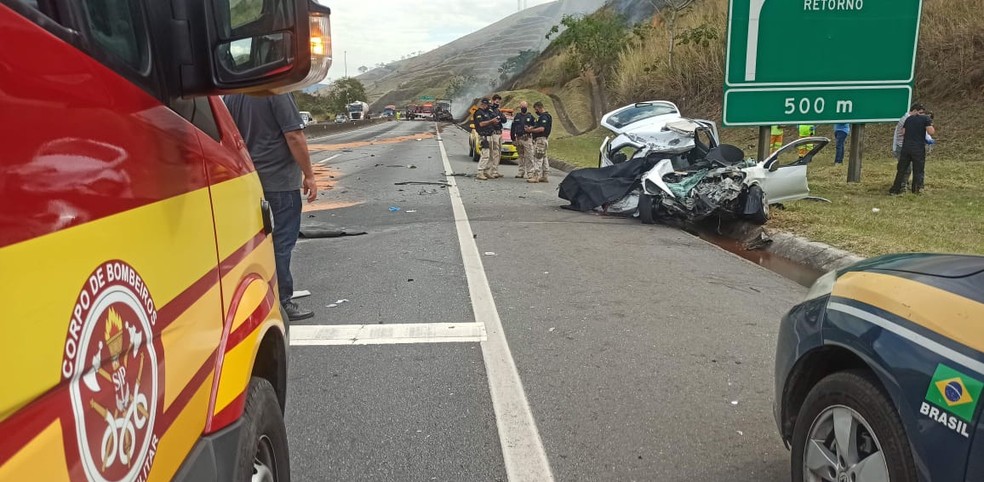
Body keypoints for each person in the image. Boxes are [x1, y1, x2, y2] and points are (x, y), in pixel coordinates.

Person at [224, 93, 318, 321]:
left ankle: (255, 298)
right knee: (282, 242)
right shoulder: (277, 91)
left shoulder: (231, 94)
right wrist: (309, 175)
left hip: (248, 181)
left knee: (255, 244)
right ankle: (282, 300)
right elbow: (294, 135)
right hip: (279, 182)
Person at [889, 108, 936, 195]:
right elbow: (931, 132)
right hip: (918, 148)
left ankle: (895, 189)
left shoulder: (909, 118)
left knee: (901, 169)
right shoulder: (926, 119)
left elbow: (903, 132)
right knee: (918, 169)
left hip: (906, 147)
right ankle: (917, 189)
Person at [472, 98, 500, 180]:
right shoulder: (478, 113)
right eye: (487, 105)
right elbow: (481, 124)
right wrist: (491, 121)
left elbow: (495, 118)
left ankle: (487, 171)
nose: (488, 106)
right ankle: (480, 172)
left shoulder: (488, 112)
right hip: (484, 136)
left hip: (490, 135)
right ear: (483, 104)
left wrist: (495, 120)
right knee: (485, 154)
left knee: (491, 155)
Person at [525, 101, 552, 183]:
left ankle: (536, 176)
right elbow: (538, 126)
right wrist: (532, 127)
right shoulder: (545, 116)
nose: (536, 111)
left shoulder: (544, 117)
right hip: (543, 140)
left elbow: (541, 129)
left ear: (540, 107)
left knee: (538, 157)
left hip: (540, 140)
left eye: (536, 109)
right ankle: (545, 175)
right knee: (544, 157)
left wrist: (531, 130)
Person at [511, 101, 536, 178]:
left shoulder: (530, 117)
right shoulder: (517, 116)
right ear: (520, 107)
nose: (523, 108)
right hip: (519, 138)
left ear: (527, 106)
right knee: (521, 156)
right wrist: (513, 138)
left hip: (527, 138)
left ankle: (530, 173)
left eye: (524, 106)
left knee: (529, 156)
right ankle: (521, 172)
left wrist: (533, 135)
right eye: (522, 106)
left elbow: (535, 126)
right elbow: (513, 128)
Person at [487, 94, 508, 179]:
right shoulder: (490, 109)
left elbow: (504, 120)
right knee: (494, 153)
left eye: (499, 100)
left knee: (498, 153)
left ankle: (495, 170)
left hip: (500, 133)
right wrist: (498, 117)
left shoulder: (498, 110)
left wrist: (499, 116)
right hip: (494, 133)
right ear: (493, 100)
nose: (497, 102)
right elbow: (493, 119)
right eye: (496, 100)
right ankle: (491, 171)